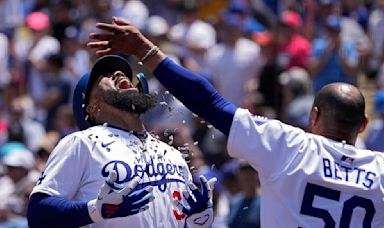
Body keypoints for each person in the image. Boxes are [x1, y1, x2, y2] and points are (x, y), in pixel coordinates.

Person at [88, 17, 384, 227]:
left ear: (314, 116)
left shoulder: (292, 145)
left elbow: (209, 102)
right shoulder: (380, 169)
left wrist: (146, 51)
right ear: (363, 124)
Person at [26, 55, 216, 228]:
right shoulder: (83, 143)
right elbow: (38, 213)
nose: (118, 74)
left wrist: (196, 223)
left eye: (124, 73)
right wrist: (94, 210)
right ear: (92, 107)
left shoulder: (171, 153)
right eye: (106, 76)